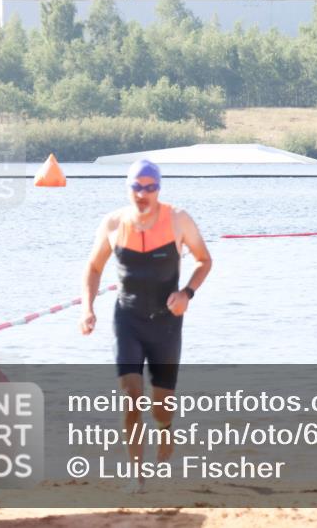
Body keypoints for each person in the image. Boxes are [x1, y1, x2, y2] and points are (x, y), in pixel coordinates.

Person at [79, 159, 212, 490]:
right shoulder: (113, 223)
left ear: (159, 189)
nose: (143, 193)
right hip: (128, 319)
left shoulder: (178, 220)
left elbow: (204, 260)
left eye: (149, 187)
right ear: (128, 188)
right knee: (131, 395)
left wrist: (187, 293)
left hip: (167, 323)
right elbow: (93, 268)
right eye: (137, 187)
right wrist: (87, 307)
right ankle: (136, 475)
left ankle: (166, 432)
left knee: (161, 407)